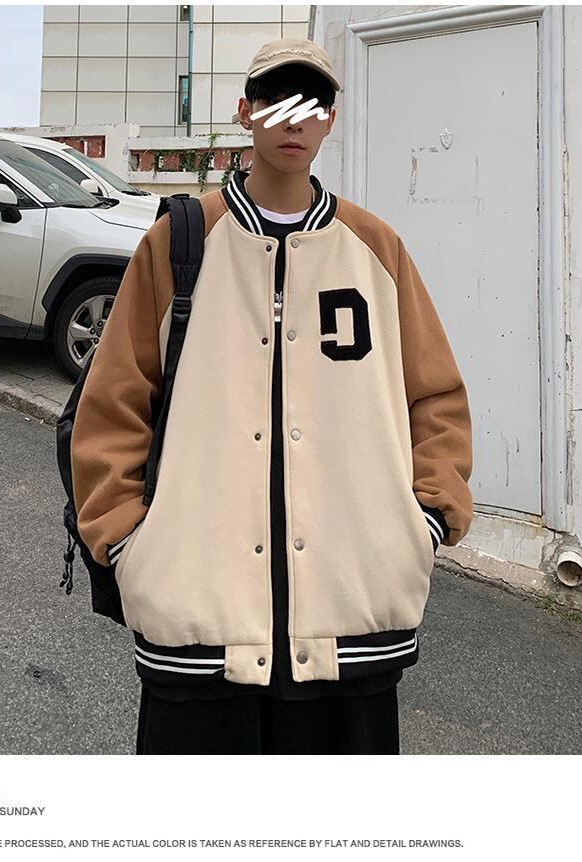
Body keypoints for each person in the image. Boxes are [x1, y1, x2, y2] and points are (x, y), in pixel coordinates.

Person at [70, 37, 474, 755]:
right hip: (197, 618)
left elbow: (436, 397)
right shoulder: (180, 244)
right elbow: (112, 406)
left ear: (331, 120)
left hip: (353, 617)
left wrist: (426, 520)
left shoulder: (375, 249)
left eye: (312, 102)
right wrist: (130, 541)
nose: (293, 118)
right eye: (274, 98)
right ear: (244, 112)